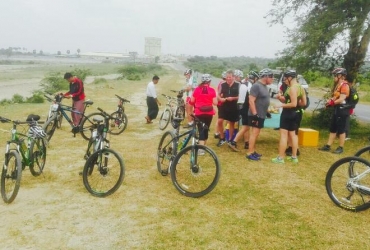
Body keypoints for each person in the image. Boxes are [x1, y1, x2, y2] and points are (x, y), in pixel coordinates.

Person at [272, 70, 306, 164]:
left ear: (290, 78)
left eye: (285, 78)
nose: (285, 81)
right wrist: (280, 98)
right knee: (293, 135)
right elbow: (303, 103)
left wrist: (280, 105)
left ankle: (280, 158)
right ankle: (294, 157)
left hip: (288, 114)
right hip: (296, 114)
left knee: (283, 135)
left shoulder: (292, 88)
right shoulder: (300, 87)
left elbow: (293, 103)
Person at [319, 67, 350, 154]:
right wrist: (329, 101)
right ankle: (328, 146)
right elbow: (335, 96)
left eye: (335, 75)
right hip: (337, 109)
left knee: (341, 129)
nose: (334, 77)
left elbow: (341, 99)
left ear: (340, 76)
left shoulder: (345, 86)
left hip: (342, 110)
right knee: (333, 128)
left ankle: (341, 147)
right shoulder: (338, 85)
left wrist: (332, 103)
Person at [246, 68, 273, 161]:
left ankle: (253, 150)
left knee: (257, 133)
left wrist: (267, 112)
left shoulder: (264, 86)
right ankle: (249, 152)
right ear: (266, 77)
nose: (272, 79)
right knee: (254, 133)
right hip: (256, 114)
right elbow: (251, 100)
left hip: (262, 113)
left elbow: (262, 101)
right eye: (271, 77)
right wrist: (254, 114)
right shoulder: (256, 86)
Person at [228, 70, 259, 151]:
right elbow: (251, 98)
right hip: (246, 107)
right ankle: (234, 142)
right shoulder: (250, 85)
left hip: (241, 106)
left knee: (246, 126)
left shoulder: (243, 83)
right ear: (254, 78)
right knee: (246, 127)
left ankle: (246, 143)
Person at [189, 74, 217, 155]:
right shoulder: (212, 90)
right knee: (206, 128)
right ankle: (204, 146)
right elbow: (215, 103)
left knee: (201, 129)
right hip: (209, 113)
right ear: (209, 82)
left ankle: (201, 150)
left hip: (199, 113)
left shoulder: (197, 89)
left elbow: (192, 101)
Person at [216, 70, 240, 147]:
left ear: (233, 77)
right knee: (220, 121)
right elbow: (218, 94)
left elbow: (241, 96)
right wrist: (220, 99)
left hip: (233, 106)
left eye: (230, 77)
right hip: (224, 105)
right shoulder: (223, 85)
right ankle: (222, 138)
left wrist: (233, 98)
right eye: (227, 77)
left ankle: (230, 140)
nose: (228, 79)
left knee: (231, 123)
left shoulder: (238, 85)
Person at [214, 71, 226, 139]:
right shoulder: (223, 83)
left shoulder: (220, 82)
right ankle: (217, 132)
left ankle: (218, 132)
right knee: (220, 119)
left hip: (220, 103)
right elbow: (220, 94)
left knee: (220, 118)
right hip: (221, 103)